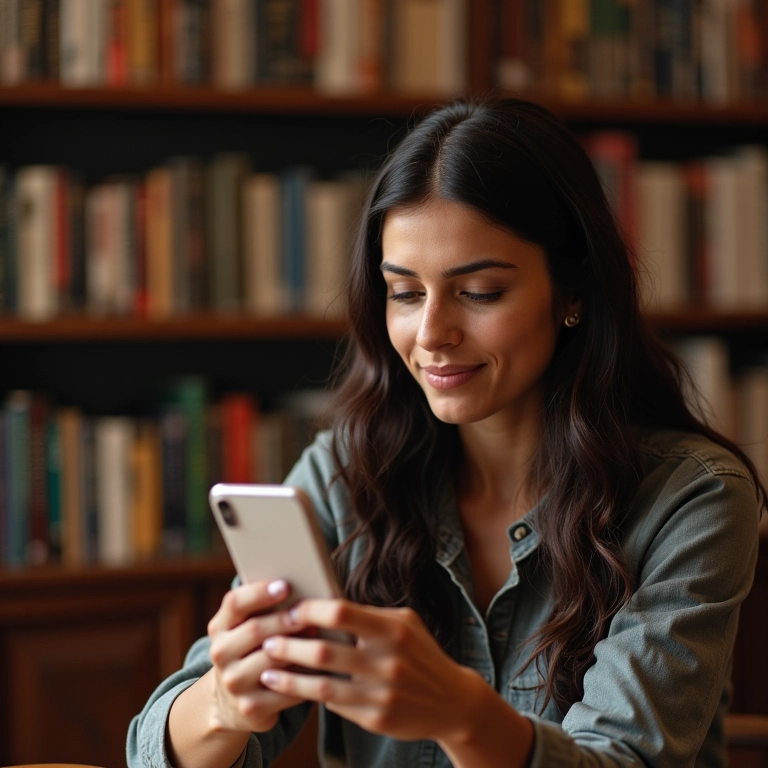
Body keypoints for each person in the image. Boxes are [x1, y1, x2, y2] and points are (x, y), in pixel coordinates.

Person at [127, 97, 765, 768]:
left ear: (573, 294)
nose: (431, 334)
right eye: (404, 292)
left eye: (481, 291)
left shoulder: (691, 500)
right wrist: (225, 704)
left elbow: (625, 758)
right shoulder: (346, 472)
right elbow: (153, 753)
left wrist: (462, 716)